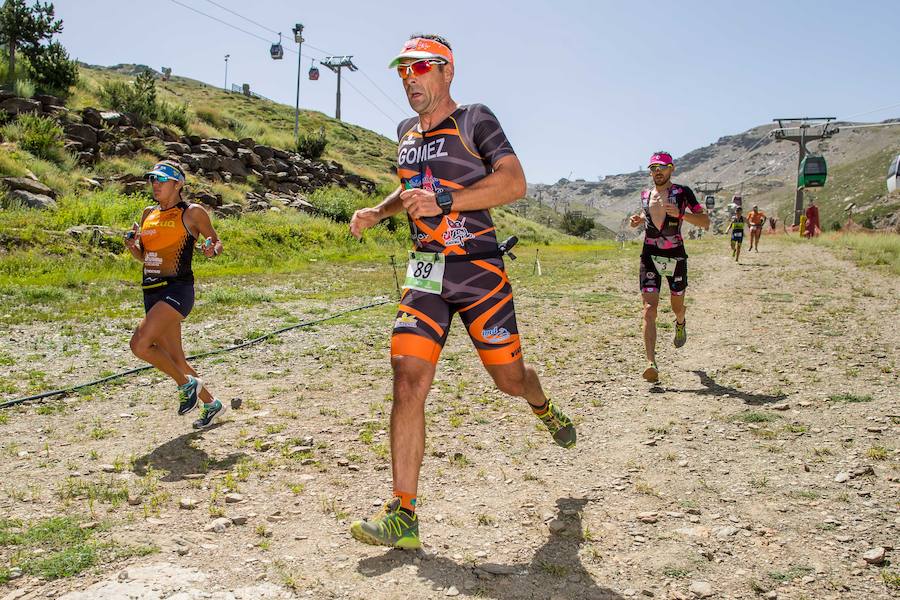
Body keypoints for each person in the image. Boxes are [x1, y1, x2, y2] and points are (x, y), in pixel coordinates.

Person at [347, 34, 576, 550]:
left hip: (478, 275)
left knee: (510, 379)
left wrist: (445, 199)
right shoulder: (404, 131)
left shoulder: (475, 119)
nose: (410, 79)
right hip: (426, 275)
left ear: (446, 72)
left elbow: (513, 183)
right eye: (402, 71)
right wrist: (379, 211)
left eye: (420, 68)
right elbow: (411, 191)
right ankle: (403, 512)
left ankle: (542, 405)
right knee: (406, 379)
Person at [124, 160, 226, 429]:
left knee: (140, 345)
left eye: (161, 179)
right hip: (151, 291)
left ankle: (186, 384)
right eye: (152, 179)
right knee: (177, 359)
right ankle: (211, 404)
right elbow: (144, 256)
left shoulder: (192, 213)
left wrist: (210, 250)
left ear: (178, 183)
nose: (155, 184)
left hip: (177, 290)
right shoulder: (149, 213)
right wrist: (132, 246)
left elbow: (216, 243)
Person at [629, 151, 710, 383]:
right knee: (648, 309)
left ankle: (681, 322)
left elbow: (705, 222)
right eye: (653, 168)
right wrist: (636, 222)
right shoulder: (645, 195)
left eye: (661, 167)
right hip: (650, 255)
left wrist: (682, 215)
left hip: (675, 254)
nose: (657, 172)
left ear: (671, 168)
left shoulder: (683, 193)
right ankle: (650, 363)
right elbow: (646, 222)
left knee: (677, 306)